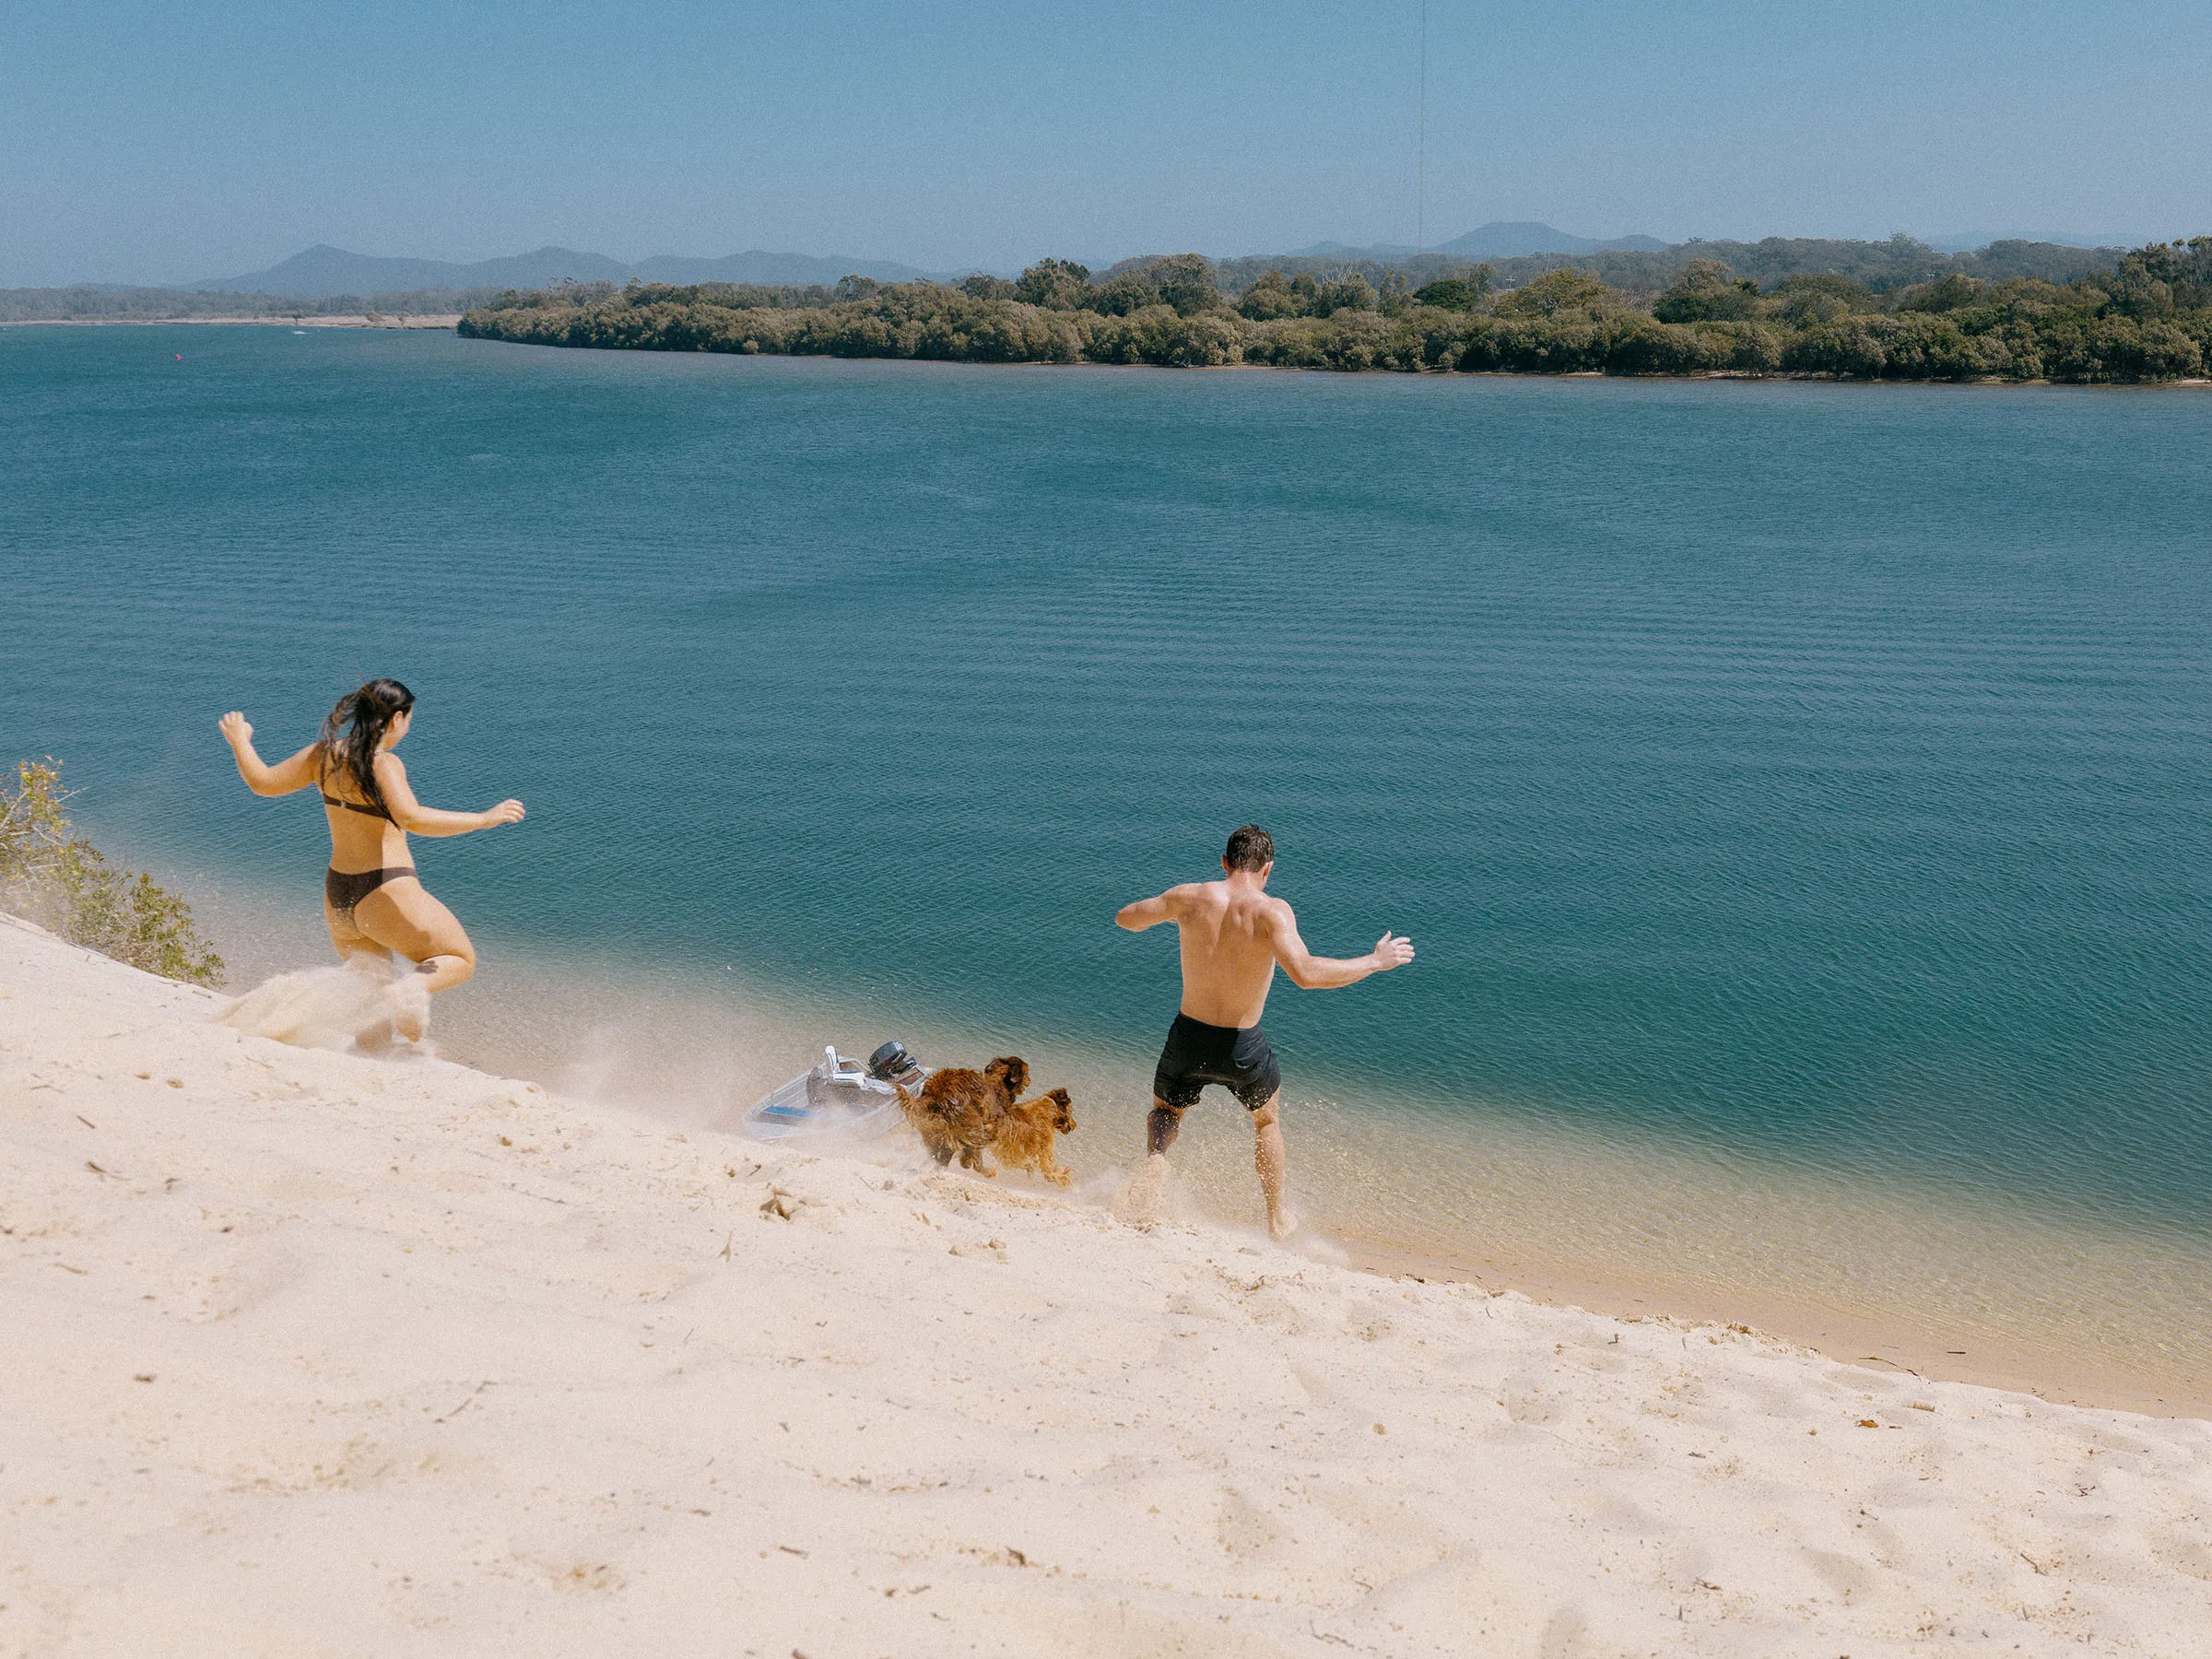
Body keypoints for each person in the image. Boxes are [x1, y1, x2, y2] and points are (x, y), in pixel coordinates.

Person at [1114, 824, 1413, 1239]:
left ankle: (1154, 1165)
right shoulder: (1272, 911)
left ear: (1224, 862)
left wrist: (1169, 908)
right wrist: (1375, 961)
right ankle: (1275, 1217)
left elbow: (1126, 919)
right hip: (1242, 1045)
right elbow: (1307, 974)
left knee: (1166, 1111)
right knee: (1266, 1123)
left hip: (1188, 1036)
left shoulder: (1189, 897)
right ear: (1267, 868)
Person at [218, 678, 524, 1041]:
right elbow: (411, 817)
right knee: (458, 959)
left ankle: (375, 1058)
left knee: (371, 1009)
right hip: (384, 887)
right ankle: (407, 992)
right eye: (409, 719)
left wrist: (241, 741)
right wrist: (483, 819)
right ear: (396, 719)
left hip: (339, 896)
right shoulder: (384, 763)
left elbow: (264, 783)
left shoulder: (324, 755)